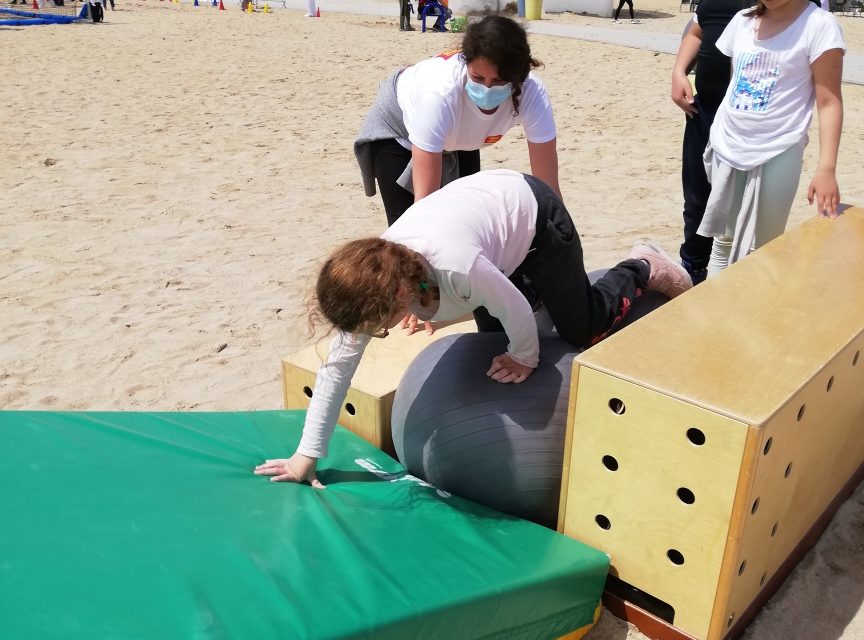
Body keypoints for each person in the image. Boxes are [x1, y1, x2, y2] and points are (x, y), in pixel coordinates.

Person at [254, 170, 692, 487]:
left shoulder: (456, 266)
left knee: (583, 328)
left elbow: (514, 307)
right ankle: (537, 288)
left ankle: (642, 265)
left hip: (535, 217)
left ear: (398, 295)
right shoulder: (381, 283)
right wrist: (305, 455)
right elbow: (337, 369)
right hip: (486, 224)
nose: (375, 334)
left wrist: (526, 356)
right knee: (489, 336)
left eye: (378, 327)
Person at [354, 15, 560, 228]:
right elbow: (424, 201)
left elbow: (549, 189)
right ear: (466, 63)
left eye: (499, 81)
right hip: (398, 129)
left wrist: (560, 239)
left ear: (519, 76)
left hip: (460, 138)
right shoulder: (439, 93)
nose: (487, 88)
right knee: (409, 227)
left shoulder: (532, 92)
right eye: (478, 78)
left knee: (464, 221)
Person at [698, 0, 844, 275]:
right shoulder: (741, 20)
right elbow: (736, 81)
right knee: (723, 242)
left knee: (765, 248)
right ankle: (713, 316)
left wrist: (826, 169)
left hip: (779, 149)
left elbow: (829, 102)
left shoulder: (819, 25)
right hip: (727, 144)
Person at [670, 0, 750, 284]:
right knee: (696, 197)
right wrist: (679, 71)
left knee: (744, 207)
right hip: (702, 111)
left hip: (752, 122)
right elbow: (697, 30)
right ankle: (693, 265)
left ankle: (740, 274)